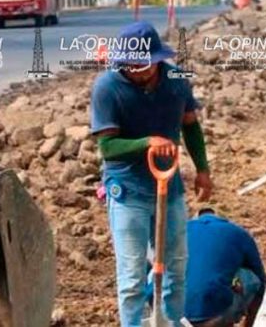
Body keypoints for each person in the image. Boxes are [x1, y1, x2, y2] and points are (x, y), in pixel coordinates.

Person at [90, 21, 214, 326]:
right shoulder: (108, 88)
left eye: (144, 65)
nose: (138, 71)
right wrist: (147, 142)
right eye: (131, 66)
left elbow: (190, 125)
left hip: (169, 188)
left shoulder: (176, 81)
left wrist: (202, 169)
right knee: (132, 275)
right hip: (128, 190)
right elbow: (107, 147)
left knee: (176, 266)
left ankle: (171, 321)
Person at [182, 208, 266, 326]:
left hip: (174, 313)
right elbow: (261, 281)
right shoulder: (237, 232)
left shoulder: (179, 231)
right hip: (213, 315)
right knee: (251, 277)